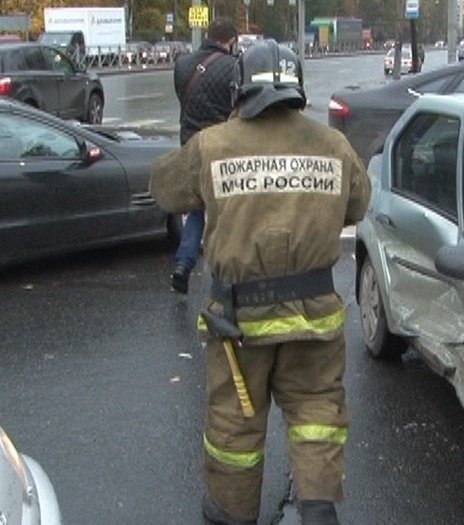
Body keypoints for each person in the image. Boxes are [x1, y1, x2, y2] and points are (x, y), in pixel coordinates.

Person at [150, 40, 370, 525]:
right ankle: (316, 509)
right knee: (316, 415)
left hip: (238, 330)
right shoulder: (332, 146)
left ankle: (231, 513)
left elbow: (163, 188)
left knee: (234, 429)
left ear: (241, 88)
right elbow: (358, 205)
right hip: (314, 322)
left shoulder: (215, 144)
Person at [170, 17, 238, 294]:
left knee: (197, 207)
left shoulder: (183, 64)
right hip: (220, 146)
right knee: (225, 209)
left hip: (190, 144)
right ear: (230, 41)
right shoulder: (234, 67)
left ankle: (182, 265)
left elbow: (183, 100)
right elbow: (238, 107)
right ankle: (224, 273)